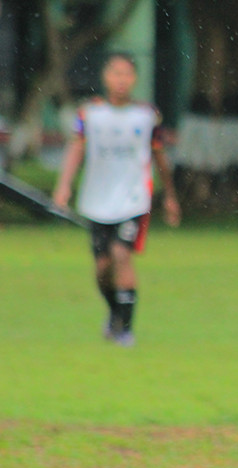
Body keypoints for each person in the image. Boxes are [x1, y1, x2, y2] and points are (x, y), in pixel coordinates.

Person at [53, 52, 180, 348]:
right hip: (96, 200)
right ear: (105, 77)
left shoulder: (147, 115)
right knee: (102, 268)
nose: (121, 80)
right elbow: (76, 150)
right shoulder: (89, 114)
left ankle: (126, 329)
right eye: (115, 73)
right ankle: (114, 314)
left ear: (134, 79)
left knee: (122, 255)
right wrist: (64, 187)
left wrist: (170, 196)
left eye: (126, 74)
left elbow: (160, 157)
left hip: (133, 198)